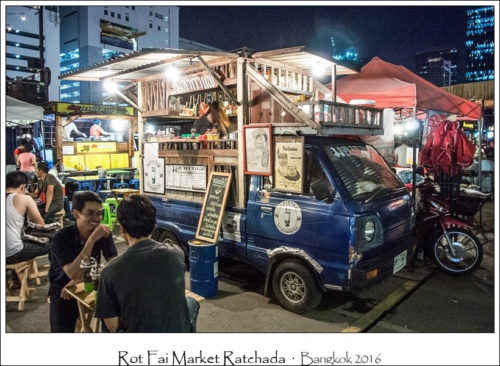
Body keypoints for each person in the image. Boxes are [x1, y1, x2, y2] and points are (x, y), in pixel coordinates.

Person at [95, 194, 193, 332]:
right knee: (190, 303)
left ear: (122, 229)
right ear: (153, 225)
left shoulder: (110, 272)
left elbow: (113, 326)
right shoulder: (176, 253)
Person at [48, 192, 117, 332]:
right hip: (62, 287)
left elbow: (115, 264)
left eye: (99, 213)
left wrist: (96, 272)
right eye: (90, 213)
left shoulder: (103, 234)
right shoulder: (61, 238)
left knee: (117, 313)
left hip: (90, 282)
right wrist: (92, 240)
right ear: (75, 214)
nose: (97, 218)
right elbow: (74, 274)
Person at [6, 171, 48, 264]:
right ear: (22, 187)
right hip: (12, 254)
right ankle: (58, 275)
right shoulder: (25, 199)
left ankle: (14, 275)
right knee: (56, 242)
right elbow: (41, 225)